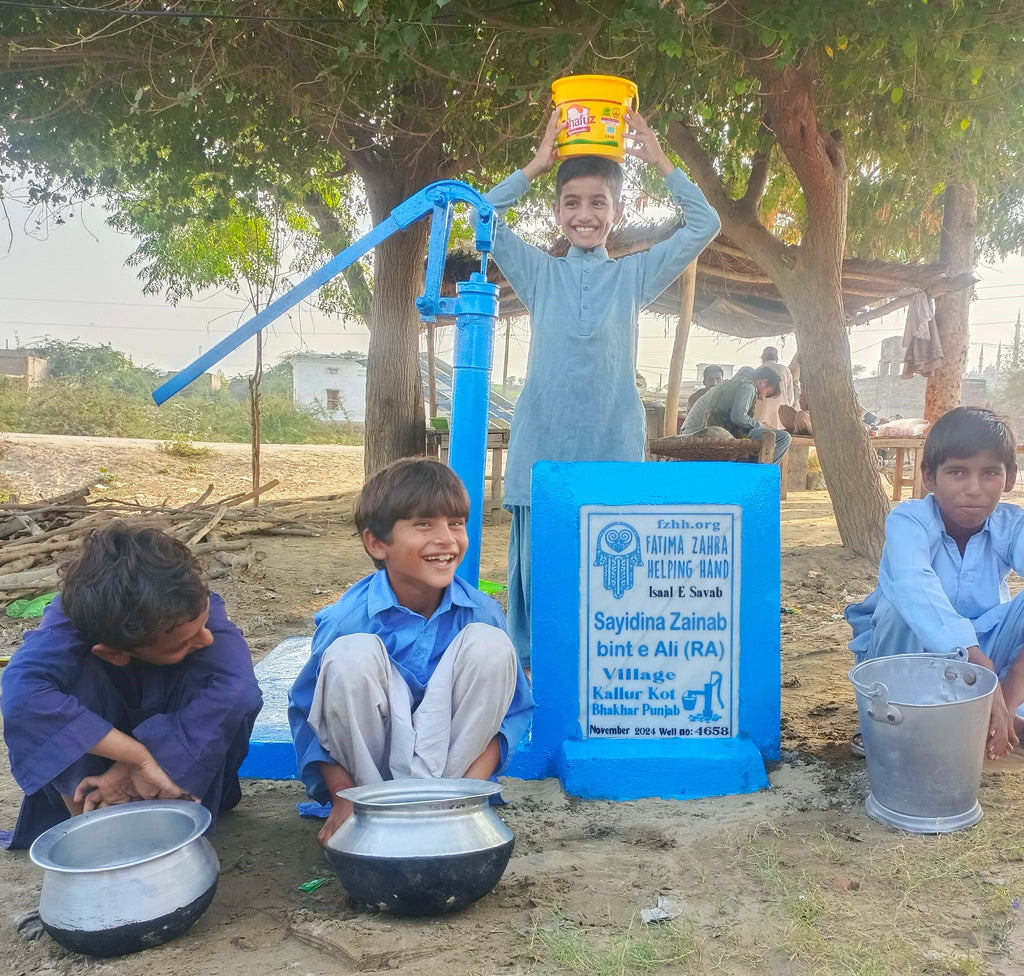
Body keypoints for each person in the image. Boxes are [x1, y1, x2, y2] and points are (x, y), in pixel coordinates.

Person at [486, 108, 721, 667]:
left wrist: (661, 161)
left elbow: (704, 224)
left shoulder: (632, 274)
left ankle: (606, 687)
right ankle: (539, 693)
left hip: (610, 449)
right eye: (572, 202)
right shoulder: (537, 271)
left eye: (598, 203)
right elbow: (481, 219)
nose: (584, 214)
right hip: (541, 449)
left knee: (612, 583)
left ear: (616, 213)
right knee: (541, 590)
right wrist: (539, 164)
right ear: (556, 210)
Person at [288, 457, 534, 847]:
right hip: (370, 785)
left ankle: (444, 811)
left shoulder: (482, 614)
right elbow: (312, 720)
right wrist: (343, 800)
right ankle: (375, 816)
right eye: (424, 524)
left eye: (456, 523)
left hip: (453, 781)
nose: (447, 539)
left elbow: (510, 715)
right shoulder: (347, 621)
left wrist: (468, 793)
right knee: (351, 657)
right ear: (377, 543)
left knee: (491, 647)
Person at [1, 522, 262, 850]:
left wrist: (144, 764)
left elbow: (239, 690)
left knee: (225, 684)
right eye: (181, 644)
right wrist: (136, 757)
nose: (206, 637)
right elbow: (21, 694)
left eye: (204, 623)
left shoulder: (190, 607)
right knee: (61, 685)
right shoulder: (72, 623)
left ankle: (176, 827)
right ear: (115, 654)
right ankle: (90, 829)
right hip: (100, 774)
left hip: (188, 774)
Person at [845, 407, 1024, 760]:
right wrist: (976, 661)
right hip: (902, 657)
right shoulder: (908, 520)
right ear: (929, 476)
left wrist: (1002, 690)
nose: (974, 489)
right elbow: (914, 586)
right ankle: (889, 719)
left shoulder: (1012, 524)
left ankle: (1002, 714)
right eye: (957, 472)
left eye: (989, 473)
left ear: (1009, 477)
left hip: (988, 665)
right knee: (902, 605)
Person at [691, 366, 791, 463]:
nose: (763, 397)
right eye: (767, 392)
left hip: (716, 428)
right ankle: (760, 472)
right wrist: (761, 425)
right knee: (784, 438)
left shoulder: (734, 382)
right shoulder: (749, 386)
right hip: (728, 432)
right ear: (764, 382)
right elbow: (738, 417)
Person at [753, 346, 795, 430]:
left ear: (763, 357)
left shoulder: (758, 371)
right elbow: (790, 396)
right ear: (777, 357)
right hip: (781, 416)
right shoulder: (785, 370)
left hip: (760, 415)